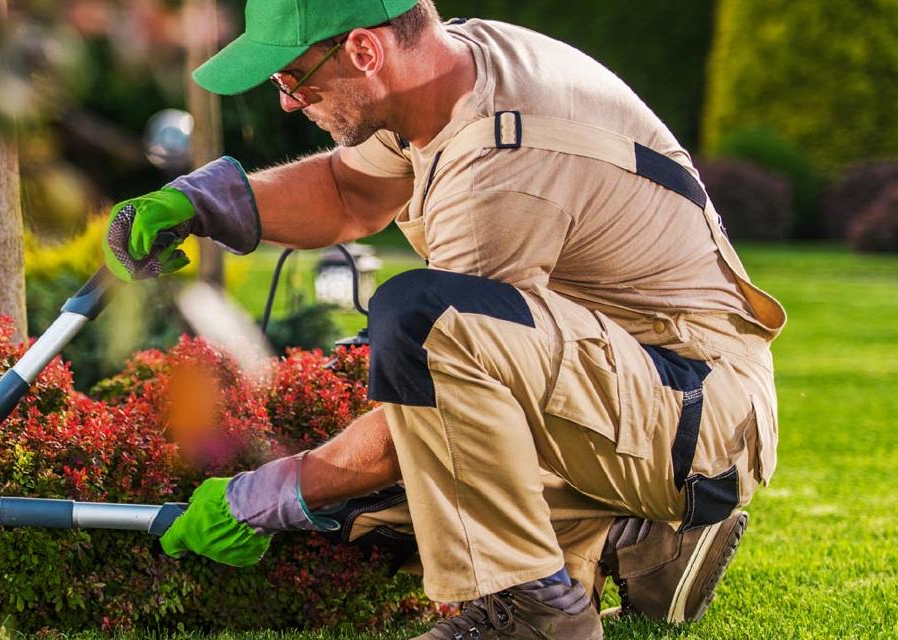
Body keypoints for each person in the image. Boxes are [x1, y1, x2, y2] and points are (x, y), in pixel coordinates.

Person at [101, 1, 786, 638]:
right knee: (370, 514)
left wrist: (265, 494)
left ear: (366, 50)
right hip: (639, 387)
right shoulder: (454, 72)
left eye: (294, 77)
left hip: (696, 413)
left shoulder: (503, 164)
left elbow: (434, 382)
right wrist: (203, 203)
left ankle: (533, 609)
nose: (287, 100)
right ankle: (642, 540)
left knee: (418, 332)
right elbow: (350, 191)